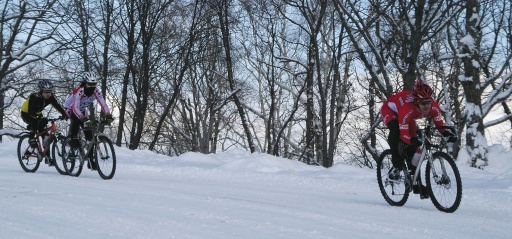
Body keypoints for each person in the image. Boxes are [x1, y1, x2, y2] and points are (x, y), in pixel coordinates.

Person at [380, 81, 456, 199]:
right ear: (416, 101)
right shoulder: (407, 109)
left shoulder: (434, 107)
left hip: (409, 117)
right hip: (391, 111)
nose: (426, 105)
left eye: (428, 102)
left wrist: (447, 133)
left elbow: (439, 123)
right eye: (423, 102)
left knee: (414, 151)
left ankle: (417, 184)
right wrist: (411, 141)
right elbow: (404, 135)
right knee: (396, 133)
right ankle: (396, 160)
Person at [64, 72, 113, 169]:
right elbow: (75, 108)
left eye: (94, 84)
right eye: (90, 84)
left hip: (82, 109)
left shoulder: (96, 91)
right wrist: (83, 118)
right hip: (70, 108)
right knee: (76, 123)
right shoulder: (79, 91)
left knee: (90, 137)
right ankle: (73, 141)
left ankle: (90, 160)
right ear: (84, 83)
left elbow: (103, 103)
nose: (92, 86)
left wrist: (108, 115)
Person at [21, 79, 68, 164]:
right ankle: (31, 139)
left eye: (50, 92)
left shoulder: (50, 97)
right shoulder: (34, 96)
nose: (48, 94)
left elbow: (56, 105)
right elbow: (31, 111)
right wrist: (38, 118)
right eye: (46, 92)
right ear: (41, 91)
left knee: (46, 135)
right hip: (26, 113)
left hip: (38, 114)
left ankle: (47, 157)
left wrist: (64, 114)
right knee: (35, 122)